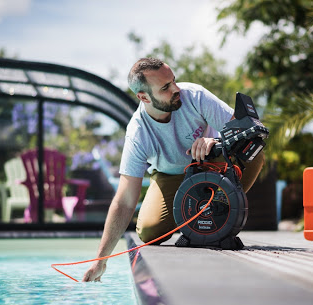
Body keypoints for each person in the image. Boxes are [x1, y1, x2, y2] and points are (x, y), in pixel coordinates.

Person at [82, 57, 264, 282]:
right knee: (149, 232)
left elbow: (243, 130)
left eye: (173, 81)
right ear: (144, 97)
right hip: (170, 175)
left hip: (213, 164)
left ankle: (222, 211)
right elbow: (125, 200)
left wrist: (215, 143)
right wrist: (101, 261)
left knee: (254, 154)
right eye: (166, 87)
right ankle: (196, 217)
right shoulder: (138, 133)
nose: (176, 89)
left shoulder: (195, 96)